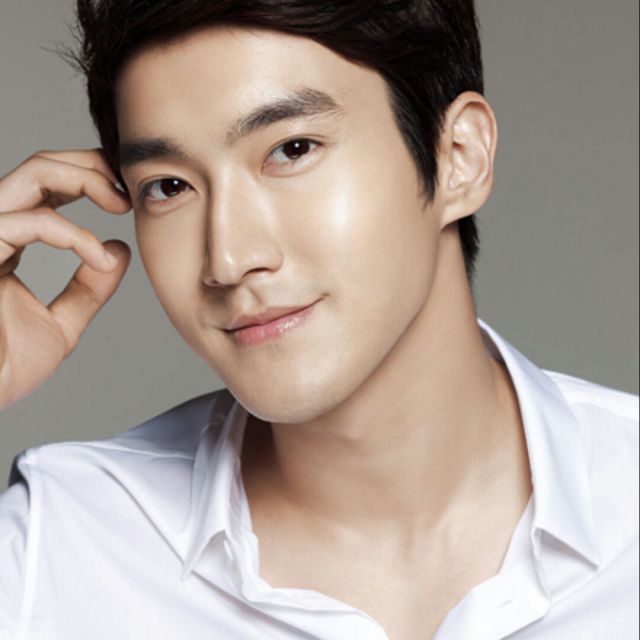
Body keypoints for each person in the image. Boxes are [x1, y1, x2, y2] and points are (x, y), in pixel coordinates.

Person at [0, 1, 637, 638]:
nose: (228, 259)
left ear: (459, 156)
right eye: (169, 187)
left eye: (291, 150)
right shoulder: (58, 549)